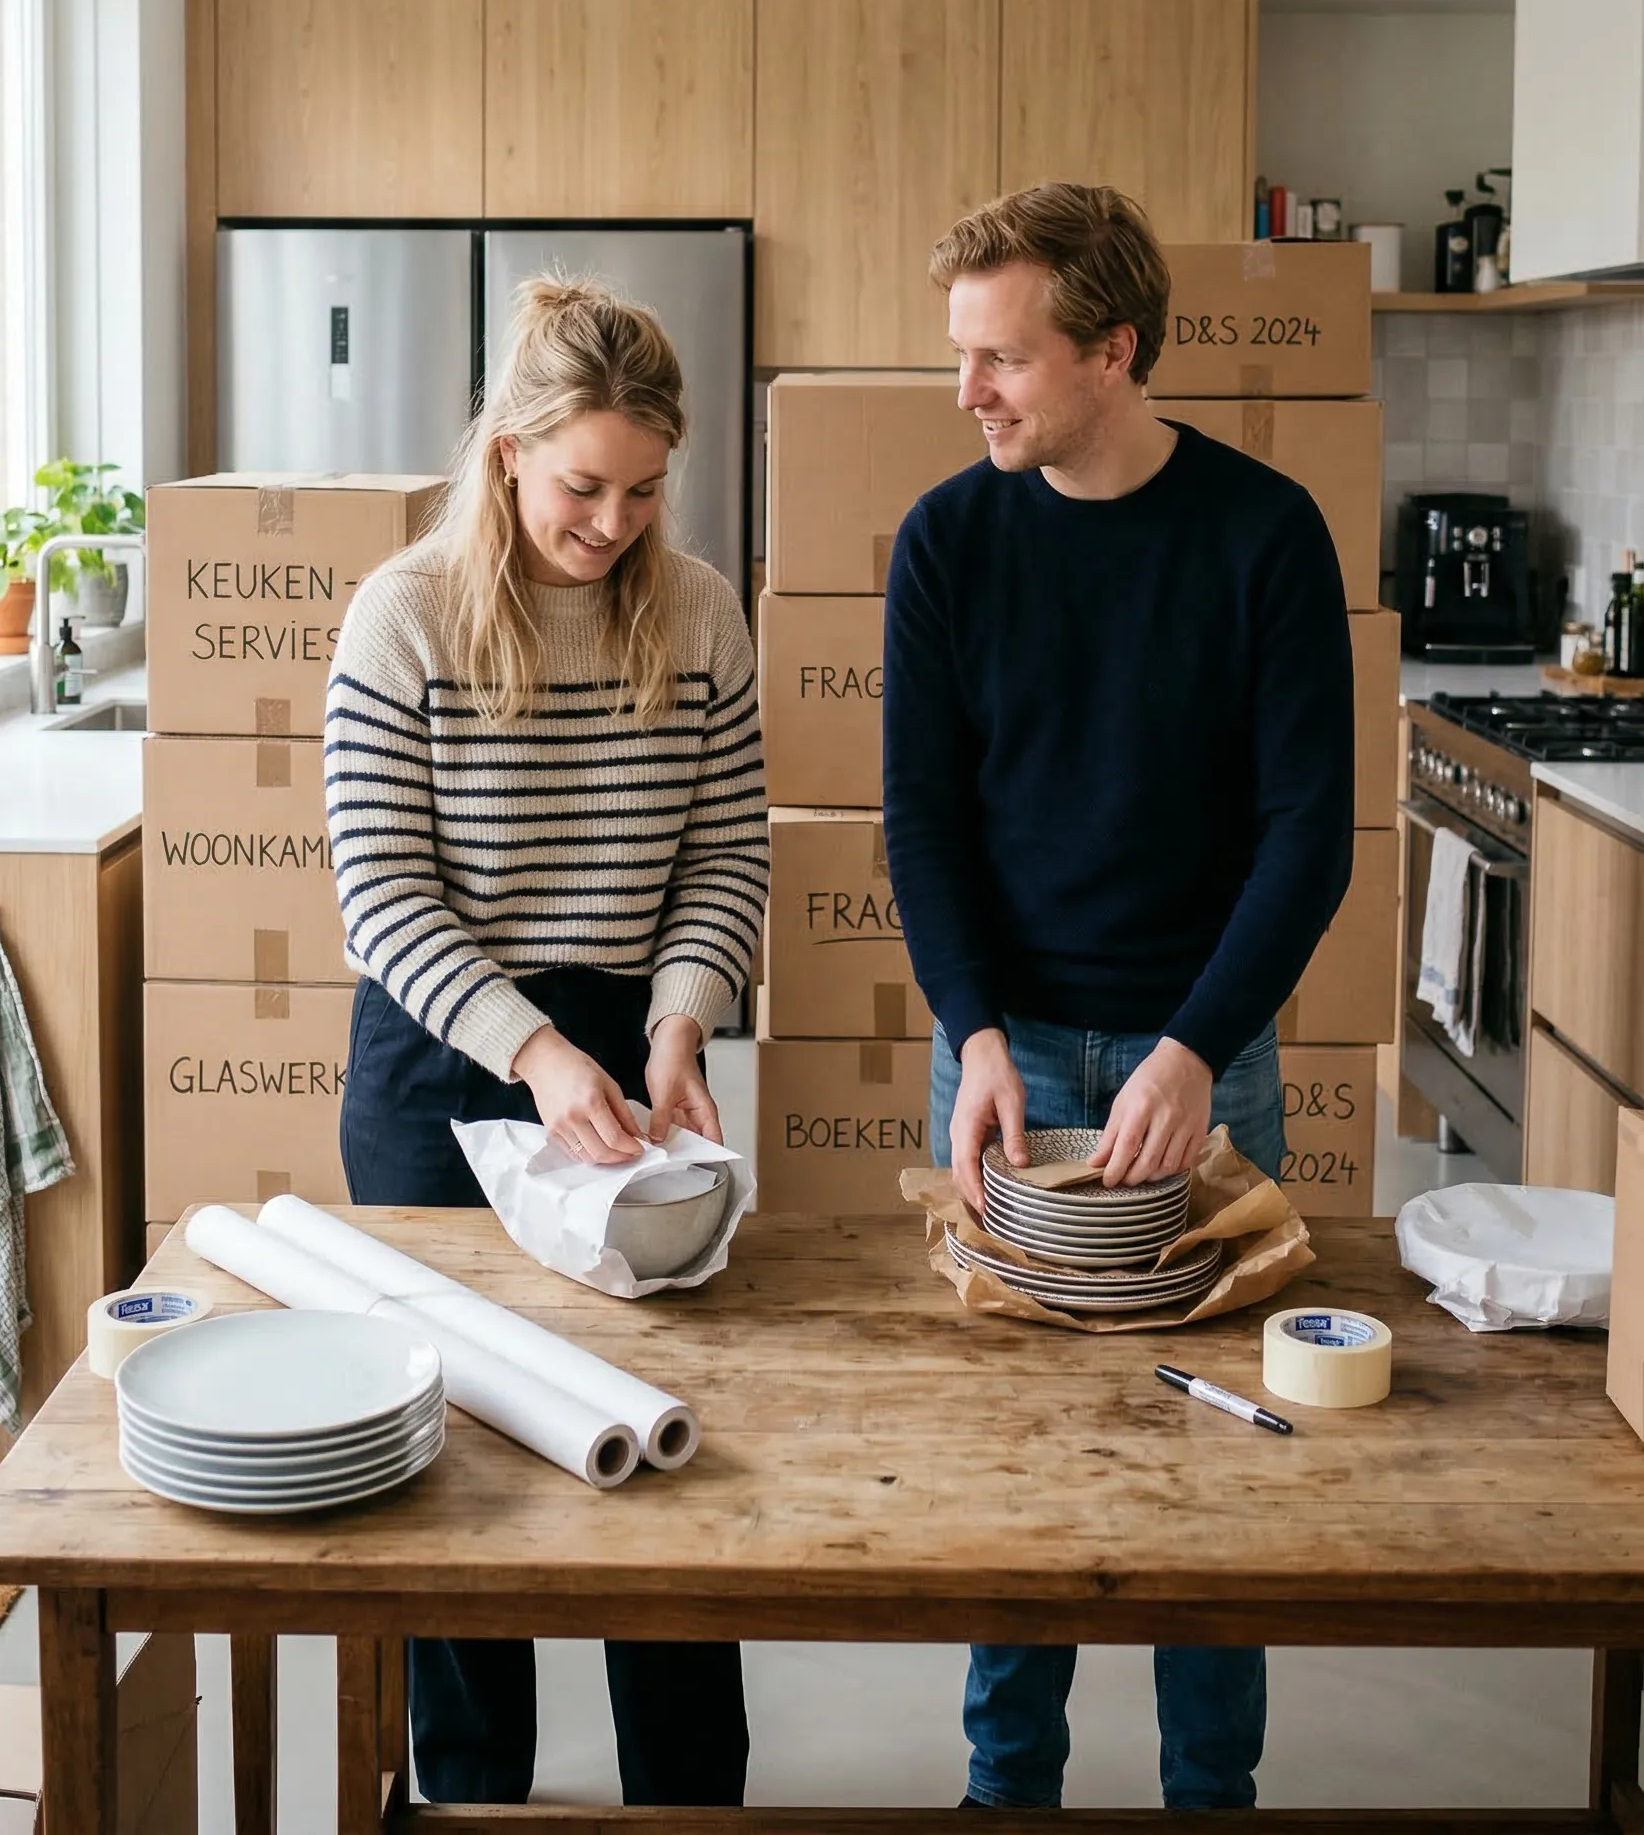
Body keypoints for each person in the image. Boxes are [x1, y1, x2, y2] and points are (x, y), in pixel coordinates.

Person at [881, 183, 1354, 1812]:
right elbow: (925, 821)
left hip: (1197, 1053)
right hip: (1004, 1060)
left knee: (1211, 1465)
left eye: (1000, 359)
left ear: (1114, 350)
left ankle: (1208, 1801)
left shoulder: (1263, 533)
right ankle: (1007, 1794)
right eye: (964, 357)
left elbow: (1309, 836)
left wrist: (1196, 1047)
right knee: (1016, 1463)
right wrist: (976, 1028)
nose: (969, 392)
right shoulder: (947, 540)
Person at [325, 275, 768, 1808]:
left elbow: (727, 854)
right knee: (456, 1491)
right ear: (507, 448)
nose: (615, 522)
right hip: (445, 1064)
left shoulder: (699, 608)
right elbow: (378, 895)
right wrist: (536, 1050)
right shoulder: (406, 616)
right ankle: (470, 1801)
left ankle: (689, 1801)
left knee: (658, 1464)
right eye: (585, 486)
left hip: (627, 1076)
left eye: (647, 489)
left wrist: (680, 1017)